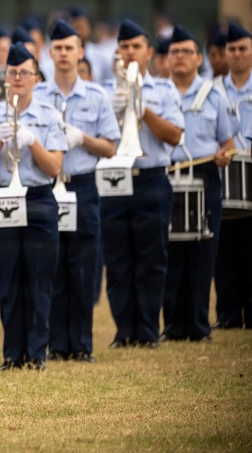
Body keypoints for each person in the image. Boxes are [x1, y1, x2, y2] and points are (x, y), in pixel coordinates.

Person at [0, 42, 67, 370]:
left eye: (24, 73)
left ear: (36, 79)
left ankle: (37, 353)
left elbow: (54, 168)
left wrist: (31, 140)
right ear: (5, 77)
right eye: (12, 72)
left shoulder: (49, 115)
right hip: (1, 196)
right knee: (7, 278)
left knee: (40, 278)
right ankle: (13, 354)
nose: (17, 78)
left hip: (38, 197)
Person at [34, 20, 119, 362]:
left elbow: (110, 147)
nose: (64, 54)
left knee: (83, 265)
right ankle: (56, 344)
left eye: (70, 47)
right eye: (58, 48)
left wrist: (82, 138)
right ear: (49, 53)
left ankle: (81, 344)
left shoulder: (96, 96)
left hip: (82, 185)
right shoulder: (38, 96)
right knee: (51, 264)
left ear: (81, 51)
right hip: (47, 186)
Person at [101, 19, 183, 349]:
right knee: (118, 260)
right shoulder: (105, 92)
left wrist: (141, 107)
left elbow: (174, 136)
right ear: (117, 52)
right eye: (124, 47)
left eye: (136, 46)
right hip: (115, 179)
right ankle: (124, 331)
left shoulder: (164, 90)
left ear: (149, 52)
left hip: (151, 178)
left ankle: (148, 330)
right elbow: (101, 140)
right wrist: (118, 108)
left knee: (152, 259)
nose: (130, 52)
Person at [163, 25, 236, 342]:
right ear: (167, 59)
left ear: (198, 58)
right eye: (174, 52)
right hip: (166, 174)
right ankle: (172, 325)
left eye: (187, 52)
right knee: (169, 252)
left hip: (204, 176)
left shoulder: (214, 95)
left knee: (202, 251)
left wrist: (224, 156)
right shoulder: (158, 93)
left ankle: (197, 325)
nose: (180, 57)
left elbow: (228, 144)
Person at [215, 22, 252, 329]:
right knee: (224, 244)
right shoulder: (213, 90)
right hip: (223, 171)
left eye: (243, 48)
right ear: (225, 53)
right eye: (232, 49)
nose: (237, 54)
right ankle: (227, 313)